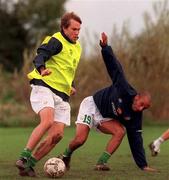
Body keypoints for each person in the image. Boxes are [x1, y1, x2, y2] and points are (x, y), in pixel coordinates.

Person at [59, 32, 157, 172]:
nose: (141, 108)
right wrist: (105, 48)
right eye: (141, 104)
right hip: (91, 105)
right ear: (137, 96)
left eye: (144, 108)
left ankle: (101, 163)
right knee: (80, 140)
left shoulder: (136, 117)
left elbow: (136, 140)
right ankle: (66, 155)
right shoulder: (124, 89)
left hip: (104, 117)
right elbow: (115, 67)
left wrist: (143, 166)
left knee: (120, 132)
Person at [15, 12, 82, 177]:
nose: (77, 33)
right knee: (48, 121)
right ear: (64, 28)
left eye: (79, 29)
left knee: (57, 135)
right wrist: (42, 69)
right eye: (74, 29)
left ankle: (29, 165)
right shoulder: (56, 40)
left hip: (62, 95)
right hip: (43, 86)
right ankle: (23, 157)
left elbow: (68, 69)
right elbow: (40, 56)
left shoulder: (78, 47)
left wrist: (71, 85)